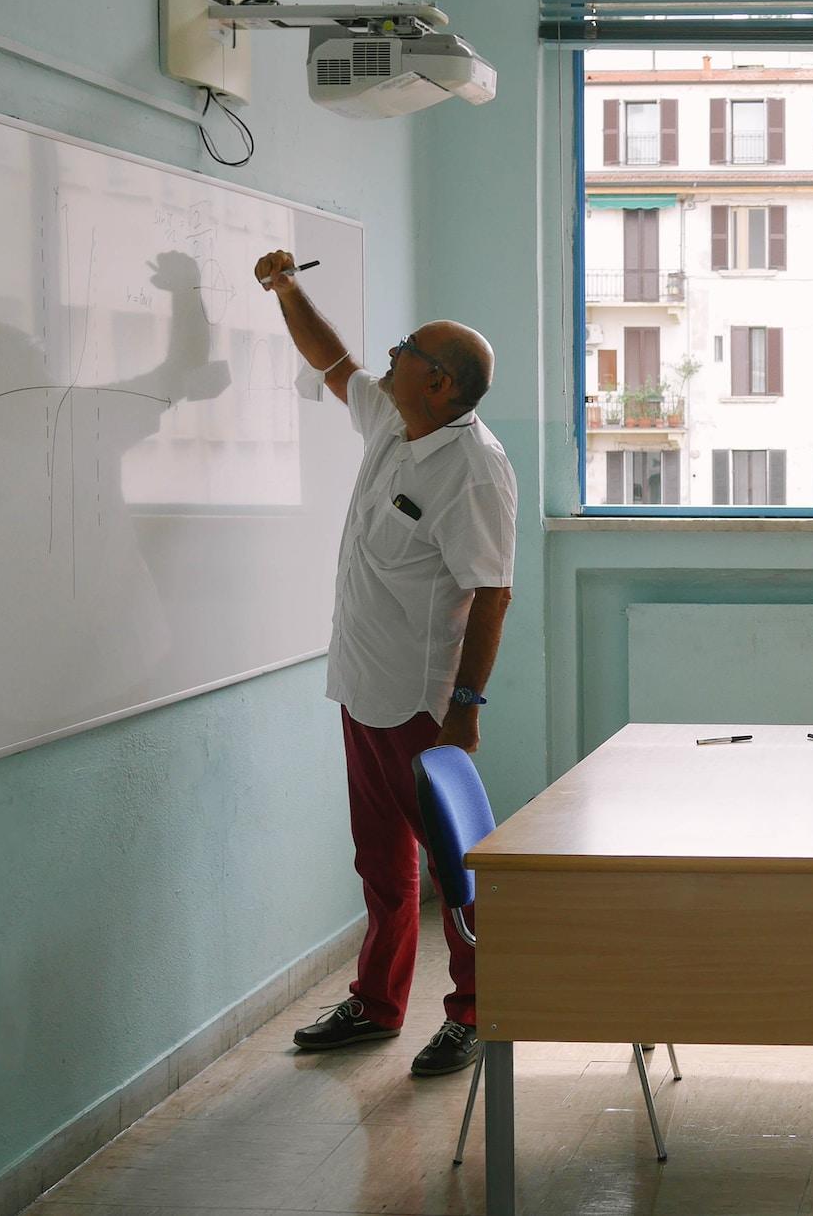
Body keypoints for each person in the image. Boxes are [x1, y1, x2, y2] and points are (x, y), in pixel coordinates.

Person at [254, 249, 516, 1079]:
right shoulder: (391, 420)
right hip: (362, 686)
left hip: (421, 699)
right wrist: (286, 288)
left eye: (408, 349)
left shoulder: (474, 469)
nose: (391, 355)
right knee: (381, 864)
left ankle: (476, 1012)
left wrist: (466, 706)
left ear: (440, 384)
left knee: (454, 869)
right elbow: (332, 359)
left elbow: (492, 593)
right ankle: (377, 1003)